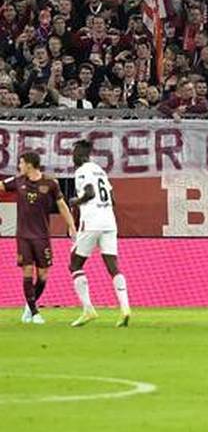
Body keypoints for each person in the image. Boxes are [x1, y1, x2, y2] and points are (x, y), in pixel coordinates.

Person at [4, 152, 78, 325]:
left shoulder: (50, 183)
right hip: (23, 236)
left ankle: (29, 306)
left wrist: (71, 225)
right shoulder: (18, 181)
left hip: (42, 236)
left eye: (21, 163)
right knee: (27, 270)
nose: (19, 166)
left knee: (43, 275)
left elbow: (61, 205)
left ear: (29, 164)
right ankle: (35, 312)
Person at [67, 140, 132, 327]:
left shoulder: (82, 171)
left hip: (92, 221)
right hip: (109, 221)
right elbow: (112, 198)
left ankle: (88, 310)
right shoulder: (100, 170)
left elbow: (89, 193)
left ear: (79, 155)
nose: (72, 158)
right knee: (112, 265)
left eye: (73, 154)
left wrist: (76, 202)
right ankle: (125, 308)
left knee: (74, 263)